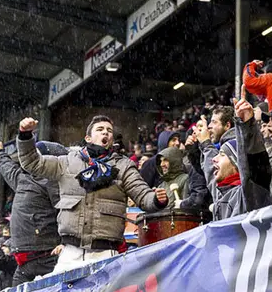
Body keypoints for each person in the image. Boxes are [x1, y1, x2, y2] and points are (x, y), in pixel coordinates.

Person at [16, 115, 168, 272]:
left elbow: (143, 196)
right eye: (100, 129)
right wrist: (25, 136)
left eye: (109, 131)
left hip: (106, 254)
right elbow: (32, 162)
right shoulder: (66, 162)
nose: (106, 133)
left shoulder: (124, 166)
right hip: (70, 254)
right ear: (88, 138)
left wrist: (156, 199)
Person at [0, 140, 62, 285]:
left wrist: (66, 242)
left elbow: (65, 212)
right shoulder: (22, 178)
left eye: (34, 155)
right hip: (25, 264)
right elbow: (7, 167)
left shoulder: (53, 182)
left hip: (47, 257)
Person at [189, 100, 272, 220]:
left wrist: (247, 124)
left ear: (236, 163)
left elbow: (255, 162)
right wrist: (204, 144)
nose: (215, 159)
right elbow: (210, 172)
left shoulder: (251, 193)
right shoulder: (221, 191)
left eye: (222, 155)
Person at [155, 143, 189, 209]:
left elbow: (186, 209)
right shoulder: (161, 185)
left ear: (174, 161)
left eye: (165, 160)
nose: (162, 164)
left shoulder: (185, 179)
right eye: (161, 161)